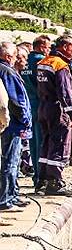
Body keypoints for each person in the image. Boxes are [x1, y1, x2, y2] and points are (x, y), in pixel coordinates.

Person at [36, 34, 72, 196]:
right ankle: (55, 182)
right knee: (60, 143)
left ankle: (42, 180)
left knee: (46, 143)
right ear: (65, 47)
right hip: (57, 109)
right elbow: (65, 93)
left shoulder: (43, 62)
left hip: (43, 107)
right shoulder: (60, 65)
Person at [0, 41, 32, 211]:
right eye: (15, 56)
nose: (17, 59)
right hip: (13, 125)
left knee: (13, 161)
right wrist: (24, 119)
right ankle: (6, 200)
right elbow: (15, 100)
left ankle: (12, 195)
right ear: (8, 56)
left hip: (10, 123)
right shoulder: (6, 71)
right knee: (10, 162)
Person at [20, 35, 50, 187]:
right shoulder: (41, 61)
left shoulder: (25, 61)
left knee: (32, 143)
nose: (49, 50)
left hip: (27, 104)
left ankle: (36, 177)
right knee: (42, 142)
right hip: (40, 104)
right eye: (47, 47)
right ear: (41, 46)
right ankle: (41, 177)